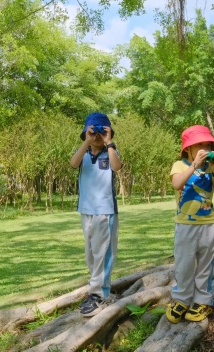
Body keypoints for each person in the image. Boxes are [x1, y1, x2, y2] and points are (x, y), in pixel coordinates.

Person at [165, 125, 214, 323]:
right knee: (184, 264)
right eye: (198, 144)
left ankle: (202, 301)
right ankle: (182, 299)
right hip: (185, 225)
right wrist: (194, 166)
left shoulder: (211, 169)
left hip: (207, 224)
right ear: (187, 149)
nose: (204, 147)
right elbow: (176, 184)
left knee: (205, 266)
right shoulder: (179, 165)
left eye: (207, 144)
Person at [69, 112, 122, 317]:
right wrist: (87, 141)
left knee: (104, 252)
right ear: (86, 132)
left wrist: (109, 143)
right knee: (91, 253)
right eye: (93, 130)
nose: (97, 135)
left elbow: (116, 167)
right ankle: (94, 289)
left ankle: (101, 293)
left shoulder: (111, 151)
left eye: (102, 130)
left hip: (106, 210)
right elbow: (73, 163)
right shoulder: (82, 153)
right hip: (87, 209)